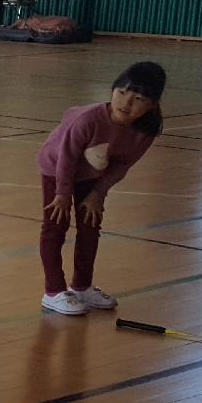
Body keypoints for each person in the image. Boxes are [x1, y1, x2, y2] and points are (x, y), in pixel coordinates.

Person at [37, 61, 165, 315]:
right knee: (55, 225)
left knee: (90, 225)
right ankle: (53, 291)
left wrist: (98, 193)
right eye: (121, 93)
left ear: (151, 104)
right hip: (57, 169)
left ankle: (82, 286)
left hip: (93, 175)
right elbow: (67, 157)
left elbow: (122, 164)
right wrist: (63, 193)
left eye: (137, 98)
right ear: (112, 90)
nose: (125, 103)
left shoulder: (145, 132)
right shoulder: (87, 120)